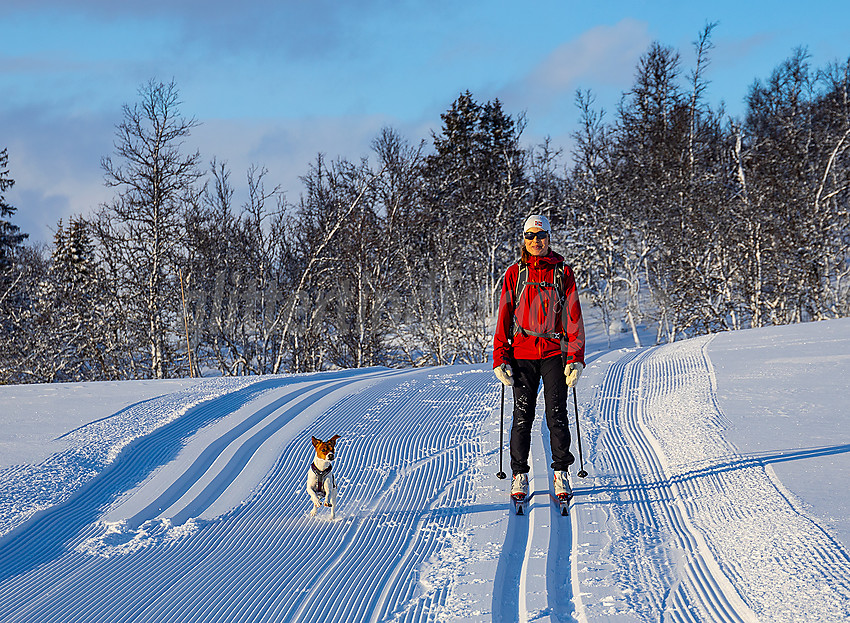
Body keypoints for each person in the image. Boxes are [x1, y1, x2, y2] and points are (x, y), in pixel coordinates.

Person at [492, 214, 586, 501]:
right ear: (524, 239)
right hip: (521, 353)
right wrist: (500, 357)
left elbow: (573, 317)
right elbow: (504, 317)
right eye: (530, 236)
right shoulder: (514, 273)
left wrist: (576, 357)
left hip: (554, 353)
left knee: (556, 415)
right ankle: (519, 474)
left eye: (541, 235)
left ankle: (561, 472)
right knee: (522, 416)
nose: (536, 241)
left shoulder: (562, 273)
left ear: (548, 237)